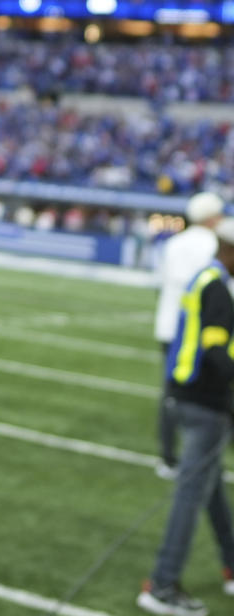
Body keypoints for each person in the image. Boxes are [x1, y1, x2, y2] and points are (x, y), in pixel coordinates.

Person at [137, 216, 234, 616]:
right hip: (204, 401)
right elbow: (215, 351)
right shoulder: (217, 287)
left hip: (189, 397)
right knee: (190, 495)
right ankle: (161, 584)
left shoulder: (207, 277)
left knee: (210, 492)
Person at [153, 191, 225, 480]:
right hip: (195, 331)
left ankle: (168, 456)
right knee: (204, 399)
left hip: (167, 326)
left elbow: (159, 282)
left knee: (170, 395)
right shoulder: (213, 244)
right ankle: (203, 459)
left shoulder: (173, 242)